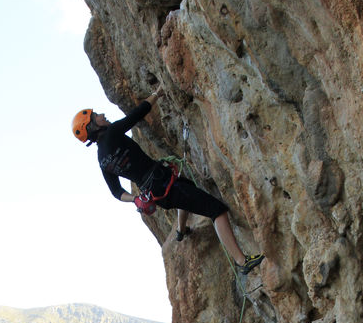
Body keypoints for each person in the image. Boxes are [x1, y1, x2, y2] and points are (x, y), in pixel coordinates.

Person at [71, 90, 264, 275]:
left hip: (156, 192)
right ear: (92, 127)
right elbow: (137, 114)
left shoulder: (102, 160)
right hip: (165, 185)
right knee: (216, 210)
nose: (102, 115)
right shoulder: (112, 133)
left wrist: (136, 199)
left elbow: (116, 191)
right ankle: (241, 261)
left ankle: (181, 230)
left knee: (187, 190)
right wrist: (158, 93)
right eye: (96, 116)